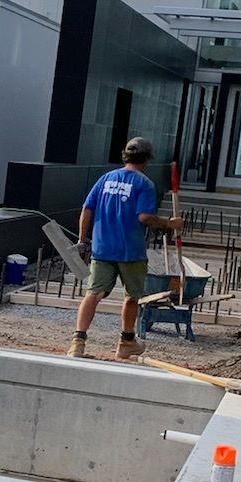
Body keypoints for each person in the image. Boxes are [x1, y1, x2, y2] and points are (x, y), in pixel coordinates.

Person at [68, 137, 178, 362]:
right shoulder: (144, 184)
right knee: (131, 297)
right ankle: (126, 343)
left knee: (94, 293)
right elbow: (145, 217)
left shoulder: (106, 179)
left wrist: (83, 238)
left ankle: (77, 342)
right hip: (131, 251)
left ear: (125, 155)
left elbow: (87, 209)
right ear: (146, 159)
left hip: (102, 248)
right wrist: (169, 224)